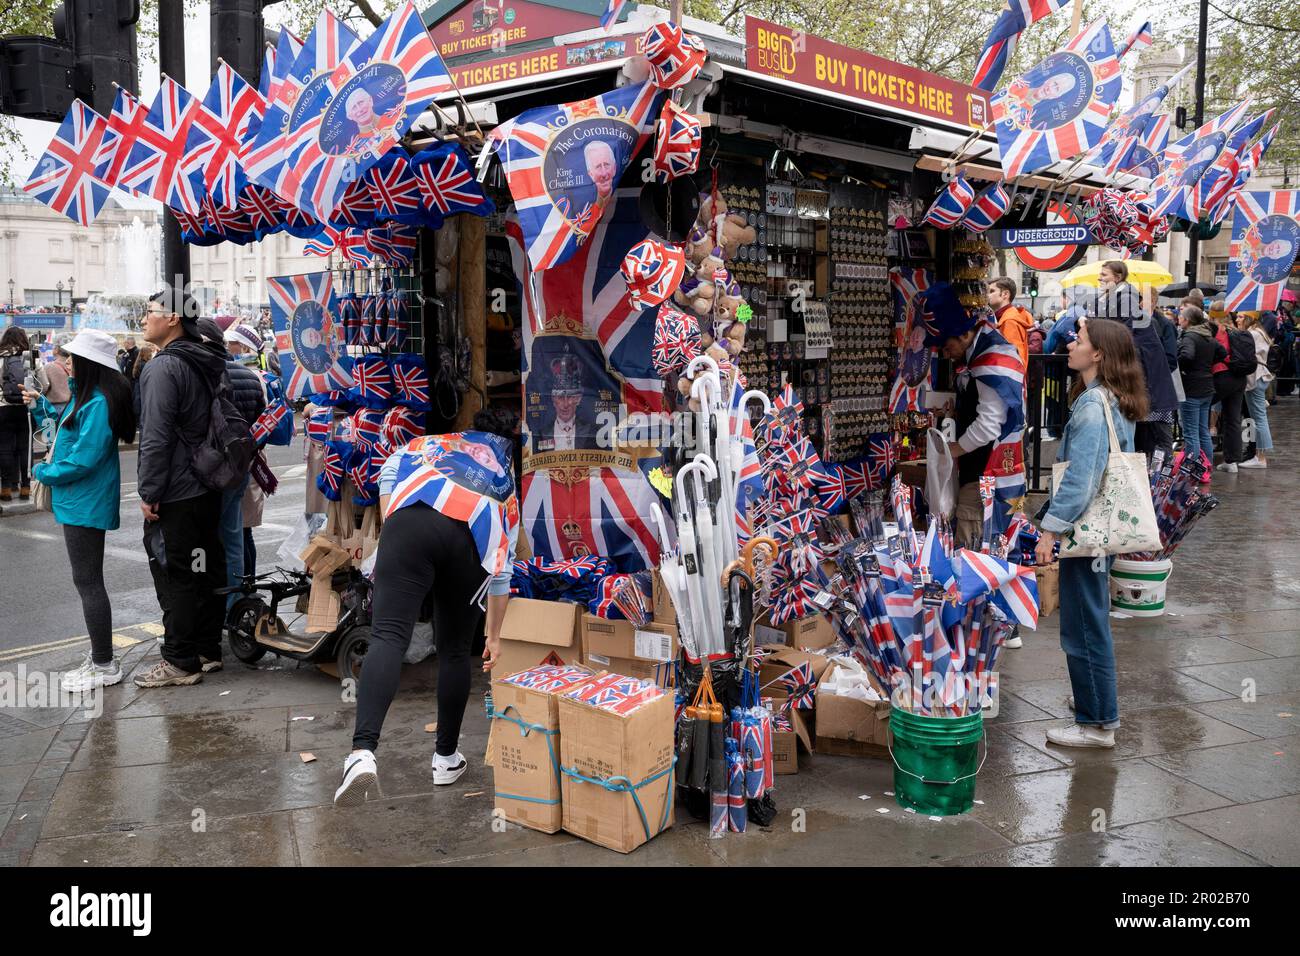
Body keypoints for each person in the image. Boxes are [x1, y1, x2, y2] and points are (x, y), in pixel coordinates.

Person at [334, 407, 521, 806]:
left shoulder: (430, 444)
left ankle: (362, 753)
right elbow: (501, 569)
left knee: (387, 636)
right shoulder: (504, 484)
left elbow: (387, 471)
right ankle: (446, 759)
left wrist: (394, 524)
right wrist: (495, 636)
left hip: (409, 525)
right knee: (454, 651)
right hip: (469, 541)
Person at [1035, 318, 1148, 748]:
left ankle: (1097, 722)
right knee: (1091, 618)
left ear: (1097, 353)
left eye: (1078, 340)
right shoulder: (1110, 398)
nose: (1069, 344)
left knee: (1083, 624)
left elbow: (1081, 480)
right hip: (1102, 530)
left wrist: (1050, 529)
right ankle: (1094, 703)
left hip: (1087, 533)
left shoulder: (1091, 405)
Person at [22, 331, 137, 691]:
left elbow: (83, 459)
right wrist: (40, 406)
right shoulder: (86, 397)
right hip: (79, 502)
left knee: (88, 582)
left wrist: (43, 472)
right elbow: (61, 433)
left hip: (85, 503)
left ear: (88, 362)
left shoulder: (97, 402)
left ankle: (104, 663)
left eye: (72, 357)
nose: (66, 361)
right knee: (86, 580)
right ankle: (101, 658)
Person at [134, 291, 229, 688]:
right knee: (202, 565)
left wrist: (149, 490)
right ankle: (207, 648)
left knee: (180, 575)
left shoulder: (163, 368)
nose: (143, 320)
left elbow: (155, 436)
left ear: (172, 318)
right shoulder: (204, 359)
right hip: (206, 485)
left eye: (149, 312)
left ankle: (179, 659)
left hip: (176, 491)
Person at [923, 283, 1027, 629]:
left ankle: (987, 624)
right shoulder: (987, 354)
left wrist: (953, 450)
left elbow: (988, 425)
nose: (944, 352)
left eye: (947, 344)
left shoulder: (989, 362)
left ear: (965, 335)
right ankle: (997, 622)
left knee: (975, 543)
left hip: (986, 474)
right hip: (1000, 472)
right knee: (994, 539)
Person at [197, 319, 265, 612]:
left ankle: (212, 604)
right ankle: (236, 603)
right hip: (241, 466)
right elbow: (262, 424)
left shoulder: (207, 376)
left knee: (208, 540)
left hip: (213, 470)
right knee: (235, 535)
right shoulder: (251, 377)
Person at [1094, 260, 1178, 463]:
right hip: (1143, 382)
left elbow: (1119, 336)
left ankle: (1159, 486)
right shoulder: (1118, 299)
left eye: (1104, 275)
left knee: (1155, 442)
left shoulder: (1125, 300)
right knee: (1147, 442)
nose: (1100, 278)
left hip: (1147, 384)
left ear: (1118, 277)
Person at [1177, 305, 1224, 479]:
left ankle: (1192, 471)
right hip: (1206, 387)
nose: (1179, 318)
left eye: (1181, 316)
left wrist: (1180, 365)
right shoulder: (1208, 336)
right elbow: (1222, 352)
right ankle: (1206, 467)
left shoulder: (1190, 336)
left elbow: (1187, 355)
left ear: (1187, 320)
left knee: (1190, 433)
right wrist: (1206, 365)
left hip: (1192, 389)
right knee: (1202, 430)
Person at [1209, 299, 1249, 473]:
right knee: (1233, 419)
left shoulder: (1218, 331)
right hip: (1239, 378)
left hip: (1221, 376)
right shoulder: (1238, 331)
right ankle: (1232, 461)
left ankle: (1201, 458)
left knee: (1200, 410)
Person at [0, 326, 34, 501]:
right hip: (26, 407)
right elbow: (44, 383)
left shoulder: (0, 358)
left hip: (3, 408)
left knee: (4, 448)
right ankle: (26, 488)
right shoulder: (31, 358)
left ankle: (5, 489)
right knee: (25, 447)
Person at [1238, 312, 1275, 469]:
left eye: (1240, 317)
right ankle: (1259, 456)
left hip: (1255, 377)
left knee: (1259, 418)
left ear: (1248, 318)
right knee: (1259, 417)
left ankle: (1260, 458)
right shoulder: (1260, 332)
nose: (1237, 319)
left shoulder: (1252, 333)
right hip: (1259, 376)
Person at [986, 277, 1034, 372]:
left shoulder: (1009, 321)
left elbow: (1012, 361)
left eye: (991, 291)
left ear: (1005, 294)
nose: (987, 295)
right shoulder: (1007, 317)